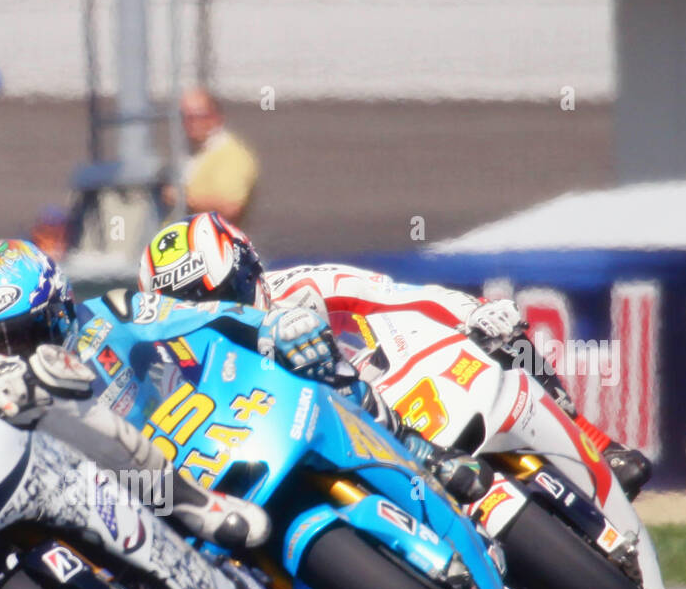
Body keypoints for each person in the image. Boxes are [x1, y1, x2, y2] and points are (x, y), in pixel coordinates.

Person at [137, 212, 653, 499]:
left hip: (388, 395)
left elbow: (389, 294)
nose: (220, 313)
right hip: (313, 449)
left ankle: (597, 442)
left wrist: (472, 311)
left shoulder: (293, 285)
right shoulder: (183, 368)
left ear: (247, 263)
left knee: (501, 336)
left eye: (225, 293)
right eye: (195, 310)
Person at [0, 239, 490, 509]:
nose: (14, 354)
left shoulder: (108, 313)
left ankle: (422, 453)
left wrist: (273, 327)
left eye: (26, 333)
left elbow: (208, 314)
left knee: (310, 359)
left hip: (216, 429)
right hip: (152, 506)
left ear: (60, 308)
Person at [164, 88, 259, 226]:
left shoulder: (232, 155)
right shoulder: (193, 153)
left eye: (199, 116)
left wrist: (182, 198)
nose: (191, 123)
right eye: (185, 117)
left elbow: (230, 207)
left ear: (216, 117)